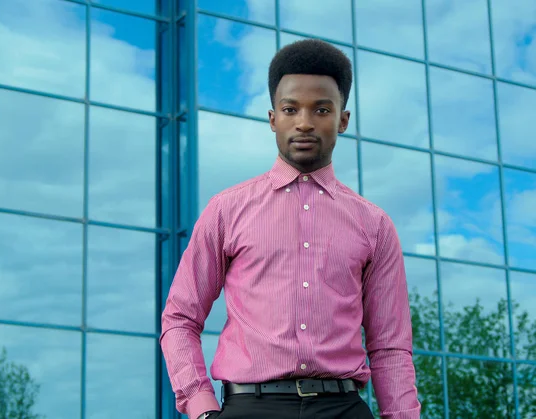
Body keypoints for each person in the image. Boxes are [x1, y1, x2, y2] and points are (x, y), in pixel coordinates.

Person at [160, 39, 421, 419]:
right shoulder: (227, 209)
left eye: (321, 109)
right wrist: (200, 408)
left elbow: (390, 346)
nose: (304, 122)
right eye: (290, 109)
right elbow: (180, 319)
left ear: (342, 120)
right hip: (250, 406)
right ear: (272, 119)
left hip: (344, 407)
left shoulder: (374, 225)